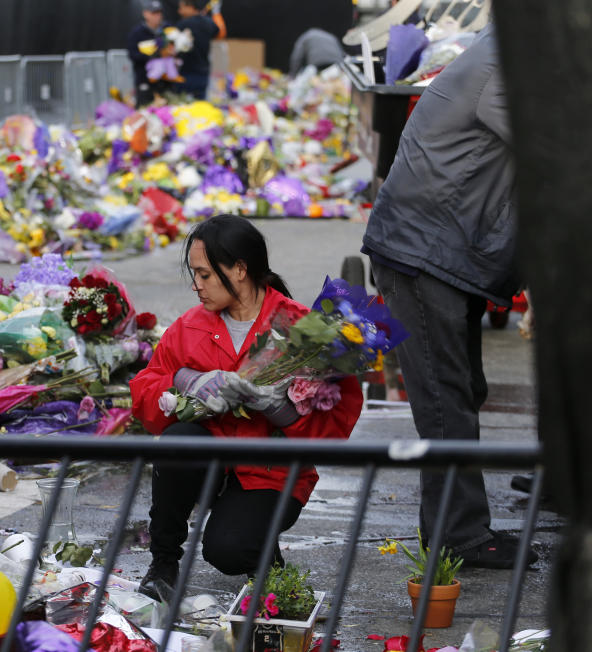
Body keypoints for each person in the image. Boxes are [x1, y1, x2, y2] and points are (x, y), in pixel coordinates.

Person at [362, 24, 539, 569]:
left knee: (462, 390)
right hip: (423, 252)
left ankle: (468, 521)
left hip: (441, 251)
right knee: (444, 400)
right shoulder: (511, 64)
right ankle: (458, 536)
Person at [130, 215, 363, 596]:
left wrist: (279, 408)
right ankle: (163, 563)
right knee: (179, 439)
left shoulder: (301, 329)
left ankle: (261, 552)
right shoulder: (189, 327)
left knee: (228, 551)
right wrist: (186, 382)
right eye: (195, 274)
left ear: (240, 270)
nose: (196, 286)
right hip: (208, 462)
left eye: (204, 275)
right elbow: (142, 394)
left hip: (270, 473)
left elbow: (337, 424)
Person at [175, 0, 222, 100]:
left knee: (181, 105)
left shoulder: (182, 24)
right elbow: (219, 32)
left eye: (182, 8)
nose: (179, 11)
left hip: (185, 72)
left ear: (191, 7)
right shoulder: (208, 22)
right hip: (203, 72)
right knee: (200, 106)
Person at [127, 0, 166, 108]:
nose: (157, 16)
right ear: (145, 14)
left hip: (165, 83)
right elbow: (132, 54)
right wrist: (151, 57)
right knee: (145, 111)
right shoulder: (137, 33)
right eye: (154, 13)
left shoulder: (166, 31)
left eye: (159, 13)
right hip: (145, 81)